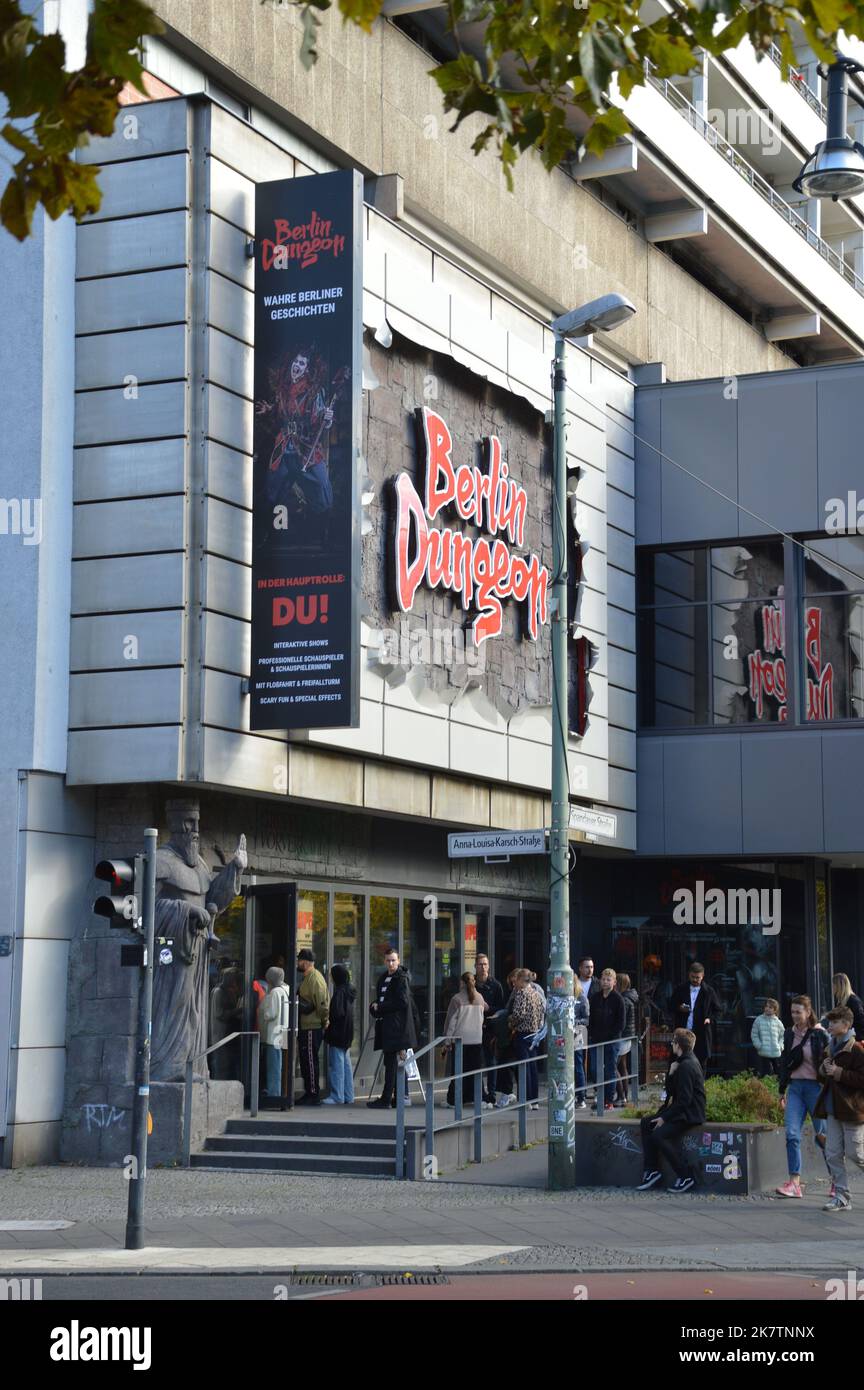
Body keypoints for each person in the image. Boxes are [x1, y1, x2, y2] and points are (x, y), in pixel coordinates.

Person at [636, 1028, 705, 1194]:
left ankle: (685, 1175)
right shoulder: (682, 1063)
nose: (671, 1045)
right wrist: (671, 1074)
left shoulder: (687, 1066)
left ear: (679, 1046)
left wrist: (664, 1118)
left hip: (690, 1114)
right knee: (646, 1123)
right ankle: (652, 1170)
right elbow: (672, 1092)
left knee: (659, 1134)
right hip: (683, 1110)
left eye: (673, 1042)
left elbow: (684, 1100)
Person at [775, 995, 829, 1199]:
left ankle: (836, 1181)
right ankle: (795, 1182)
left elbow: (830, 1057)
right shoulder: (789, 1034)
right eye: (792, 1012)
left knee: (823, 1136)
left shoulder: (819, 1034)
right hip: (796, 1089)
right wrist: (782, 1090)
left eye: (799, 1012)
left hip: (815, 1089)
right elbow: (784, 1063)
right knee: (791, 1134)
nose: (795, 1016)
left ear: (808, 1012)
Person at [814, 1005, 864, 1213]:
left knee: (857, 1155)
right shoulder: (830, 1046)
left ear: (847, 1025)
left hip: (852, 1110)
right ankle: (842, 1197)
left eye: (834, 1022)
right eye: (830, 1022)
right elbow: (823, 1076)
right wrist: (823, 1070)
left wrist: (840, 1073)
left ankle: (842, 1197)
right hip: (833, 1109)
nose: (830, 1026)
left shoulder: (856, 1049)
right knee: (833, 1154)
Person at [368, 949, 417, 1109]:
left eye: (393, 960)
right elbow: (383, 1000)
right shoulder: (384, 978)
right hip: (388, 1026)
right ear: (384, 961)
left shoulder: (401, 978)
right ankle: (394, 1098)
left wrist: (380, 1006)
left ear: (399, 960)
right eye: (388, 960)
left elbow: (402, 1002)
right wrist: (375, 1007)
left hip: (397, 1028)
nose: (391, 963)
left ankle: (387, 1098)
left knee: (391, 1064)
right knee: (391, 1064)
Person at [443, 972, 491, 1108]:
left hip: (460, 1041)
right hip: (476, 1040)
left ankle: (455, 1099)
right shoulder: (480, 998)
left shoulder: (456, 999)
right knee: (475, 1071)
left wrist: (447, 1042)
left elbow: (451, 1023)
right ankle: (476, 1097)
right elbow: (484, 1012)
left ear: (462, 983)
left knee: (458, 1072)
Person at [669, 963, 721, 1070]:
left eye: (698, 978)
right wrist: (680, 1008)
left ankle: (698, 1085)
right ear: (689, 975)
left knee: (701, 1062)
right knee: (678, 1059)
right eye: (693, 977)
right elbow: (671, 1005)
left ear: (702, 976)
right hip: (683, 1031)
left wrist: (709, 1019)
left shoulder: (709, 991)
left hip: (701, 1032)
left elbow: (718, 1010)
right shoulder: (681, 988)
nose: (695, 980)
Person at [588, 968, 626, 1110]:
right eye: (603, 979)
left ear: (614, 982)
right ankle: (600, 1097)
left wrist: (610, 1036)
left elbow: (621, 1023)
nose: (605, 982)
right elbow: (591, 1018)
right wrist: (591, 1034)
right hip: (596, 1039)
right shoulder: (595, 998)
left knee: (610, 1070)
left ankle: (609, 1100)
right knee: (594, 1069)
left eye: (608, 980)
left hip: (611, 1040)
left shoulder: (618, 999)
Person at [507, 968, 546, 1108]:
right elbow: (542, 1011)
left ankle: (525, 1099)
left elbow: (519, 1014)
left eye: (515, 981)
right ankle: (534, 1100)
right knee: (532, 1067)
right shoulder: (535, 993)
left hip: (522, 1034)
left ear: (520, 980)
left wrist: (510, 1021)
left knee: (524, 1067)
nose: (514, 984)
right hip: (535, 1034)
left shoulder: (521, 993)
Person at [296, 948, 329, 1105]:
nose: (298, 963)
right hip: (307, 1025)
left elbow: (322, 1003)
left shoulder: (314, 978)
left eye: (299, 960)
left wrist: (324, 1020)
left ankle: (313, 1094)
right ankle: (310, 1091)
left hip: (312, 1025)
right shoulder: (308, 977)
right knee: (306, 1060)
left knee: (309, 1060)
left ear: (306, 962)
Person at [323, 963, 356, 1106]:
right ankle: (349, 1095)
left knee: (337, 1065)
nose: (330, 977)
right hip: (347, 1032)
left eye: (331, 975)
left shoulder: (339, 992)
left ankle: (337, 1096)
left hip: (337, 1033)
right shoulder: (349, 991)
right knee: (346, 1065)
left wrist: (328, 1025)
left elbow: (336, 1013)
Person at [474, 954, 505, 1105]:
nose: (483, 967)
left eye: (485, 964)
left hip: (490, 1028)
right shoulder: (471, 984)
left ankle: (491, 1093)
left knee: (491, 1061)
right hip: (474, 1027)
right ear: (475, 966)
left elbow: (502, 1008)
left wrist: (488, 1008)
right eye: (480, 964)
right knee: (476, 1063)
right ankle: (480, 1093)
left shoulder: (495, 985)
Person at [258, 966, 291, 1101]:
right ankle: (278, 1093)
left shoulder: (274, 993)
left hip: (274, 1033)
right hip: (283, 1031)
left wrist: (263, 1011)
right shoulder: (286, 990)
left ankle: (273, 1095)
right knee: (280, 1064)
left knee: (274, 1066)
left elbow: (270, 1014)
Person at [750, 997, 784, 1077]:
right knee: (764, 1074)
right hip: (763, 1053)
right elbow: (754, 1034)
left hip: (776, 1053)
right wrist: (759, 1045)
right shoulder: (758, 1020)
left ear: (775, 1010)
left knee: (778, 1075)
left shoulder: (778, 1022)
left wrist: (780, 1046)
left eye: (770, 1007)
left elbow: (782, 1036)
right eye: (766, 1006)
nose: (767, 1009)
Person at [831, 974, 864, 1039]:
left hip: (854, 1041)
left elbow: (861, 1022)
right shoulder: (840, 1002)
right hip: (844, 1038)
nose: (832, 988)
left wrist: (853, 1036)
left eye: (833, 985)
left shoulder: (853, 1001)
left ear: (839, 986)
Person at [573, 979, 589, 1109]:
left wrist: (575, 1022)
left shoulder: (581, 998)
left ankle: (581, 1096)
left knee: (578, 1064)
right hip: (564, 1035)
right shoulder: (563, 997)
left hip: (578, 1033)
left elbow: (587, 1019)